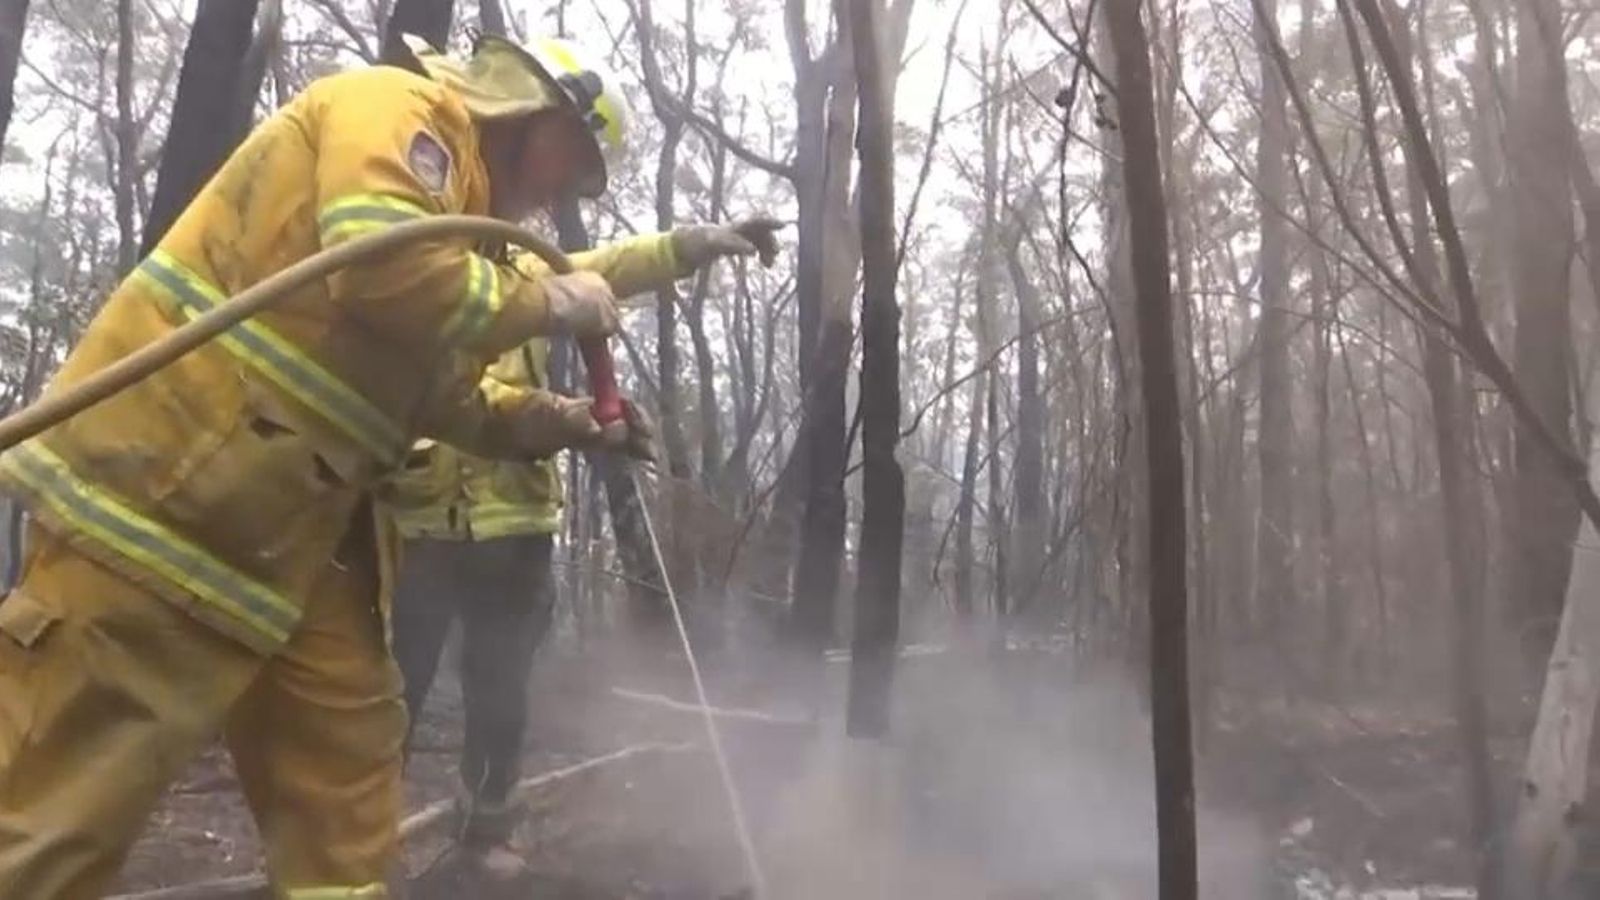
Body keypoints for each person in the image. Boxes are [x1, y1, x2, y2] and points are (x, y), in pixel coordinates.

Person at [0, 31, 777, 899]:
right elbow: (384, 271)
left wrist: (566, 423)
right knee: (54, 821)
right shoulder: (393, 109)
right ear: (536, 110)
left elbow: (448, 403)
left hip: (295, 559)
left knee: (348, 804)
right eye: (576, 164)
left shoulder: (468, 242)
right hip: (157, 516)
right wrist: (551, 301)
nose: (564, 195)